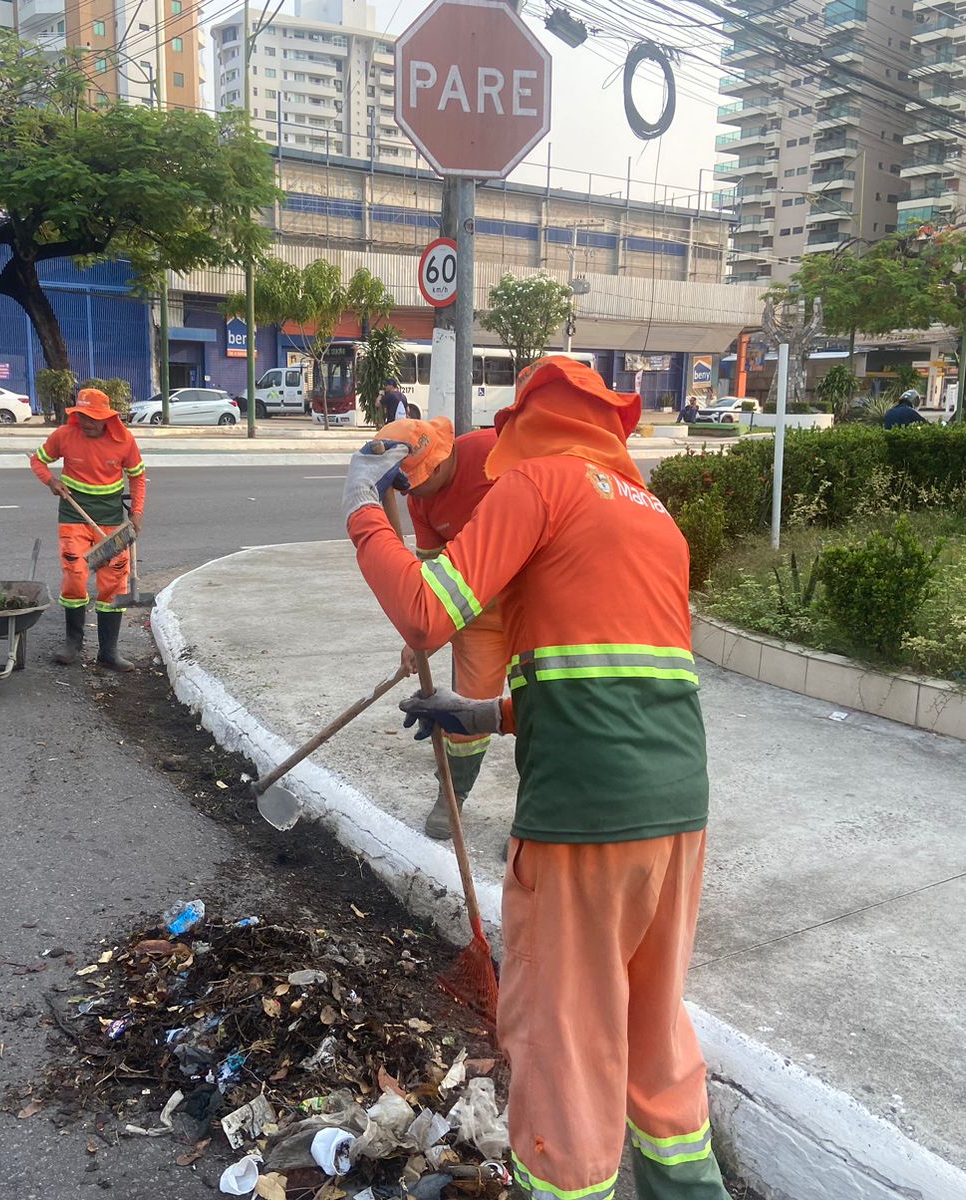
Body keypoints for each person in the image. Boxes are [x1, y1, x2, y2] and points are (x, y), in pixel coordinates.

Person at [340, 356, 729, 1200]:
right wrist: (490, 715)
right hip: (679, 811)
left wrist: (361, 506)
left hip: (585, 817)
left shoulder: (539, 484)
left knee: (564, 1041)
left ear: (527, 425)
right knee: (654, 1027)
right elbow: (622, 676)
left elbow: (425, 614)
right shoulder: (654, 516)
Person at [377, 415, 509, 840]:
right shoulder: (421, 503)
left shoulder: (496, 450)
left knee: (545, 713)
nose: (413, 492)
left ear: (442, 455)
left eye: (419, 480)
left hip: (535, 607)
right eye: (405, 486)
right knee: (465, 711)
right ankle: (452, 794)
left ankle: (540, 820)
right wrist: (423, 641)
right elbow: (435, 581)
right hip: (477, 617)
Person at [29, 387, 146, 670]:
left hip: (111, 520)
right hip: (74, 514)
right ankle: (73, 643)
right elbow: (38, 460)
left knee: (114, 580)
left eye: (93, 418)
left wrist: (137, 512)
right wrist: (51, 481)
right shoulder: (64, 436)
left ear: (107, 418)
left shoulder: (124, 441)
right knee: (75, 574)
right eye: (82, 416)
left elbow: (138, 477)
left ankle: (108, 652)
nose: (87, 422)